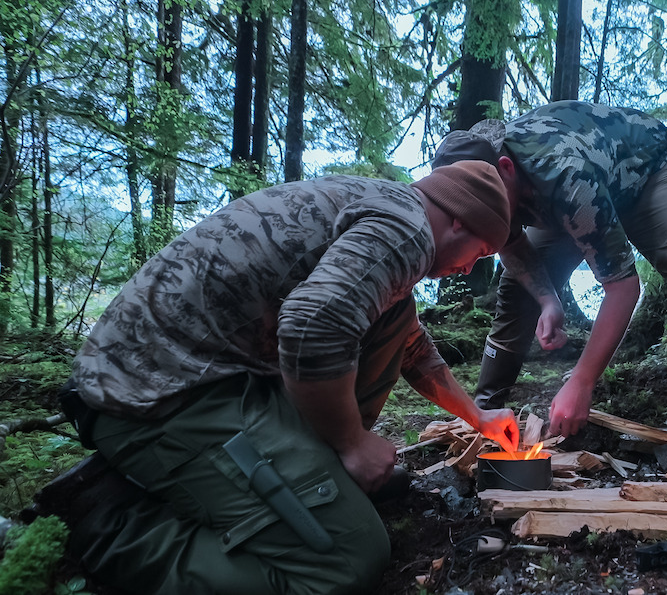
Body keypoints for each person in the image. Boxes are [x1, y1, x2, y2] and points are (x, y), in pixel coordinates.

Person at [35, 161, 521, 595]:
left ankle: (302, 479)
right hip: (156, 393)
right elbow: (313, 322)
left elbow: (411, 347)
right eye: (479, 251)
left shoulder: (381, 206)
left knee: (394, 317)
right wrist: (353, 443)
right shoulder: (408, 228)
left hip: (207, 372)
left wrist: (478, 416)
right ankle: (110, 526)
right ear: (457, 217)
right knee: (345, 558)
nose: (470, 267)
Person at [432, 101, 667, 437]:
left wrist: (582, 381)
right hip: (561, 195)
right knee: (517, 289)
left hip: (643, 172)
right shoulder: (484, 181)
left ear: (505, 169)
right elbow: (512, 243)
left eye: (486, 206)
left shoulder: (566, 177)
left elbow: (623, 288)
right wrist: (548, 300)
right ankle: (484, 413)